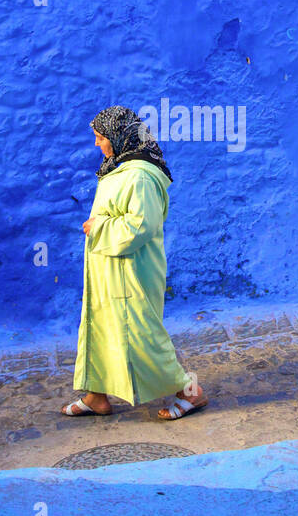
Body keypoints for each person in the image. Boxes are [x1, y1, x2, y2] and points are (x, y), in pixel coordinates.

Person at [61, 105, 208, 421]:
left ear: (118, 136)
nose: (97, 144)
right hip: (108, 268)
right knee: (100, 328)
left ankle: (190, 392)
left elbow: (143, 225)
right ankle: (96, 396)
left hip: (131, 270)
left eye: (101, 137)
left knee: (141, 333)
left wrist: (97, 227)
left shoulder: (140, 176)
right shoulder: (119, 167)